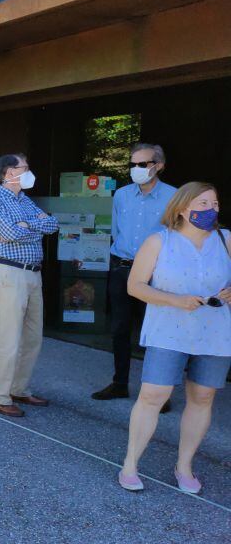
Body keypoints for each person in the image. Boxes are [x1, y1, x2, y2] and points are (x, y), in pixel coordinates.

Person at [118, 182, 230, 493]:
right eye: (203, 204)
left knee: (203, 397)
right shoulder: (158, 241)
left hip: (215, 333)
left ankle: (184, 466)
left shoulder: (226, 239)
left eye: (215, 204)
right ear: (181, 208)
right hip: (168, 331)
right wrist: (175, 300)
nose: (212, 210)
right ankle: (130, 464)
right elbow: (135, 286)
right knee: (153, 395)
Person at [92, 144, 175, 405]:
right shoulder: (122, 195)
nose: (136, 170)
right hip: (122, 267)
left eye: (143, 164)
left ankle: (159, 393)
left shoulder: (174, 197)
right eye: (133, 165)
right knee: (119, 329)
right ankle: (119, 384)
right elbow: (117, 230)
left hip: (157, 272)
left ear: (158, 165)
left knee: (156, 332)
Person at [0, 154, 59, 418]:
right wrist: (29, 228)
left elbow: (52, 224)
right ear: (10, 173)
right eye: (25, 168)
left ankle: (19, 388)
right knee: (10, 338)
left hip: (33, 274)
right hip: (9, 273)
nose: (29, 172)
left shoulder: (24, 200)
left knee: (33, 337)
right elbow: (10, 233)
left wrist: (26, 225)